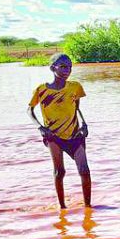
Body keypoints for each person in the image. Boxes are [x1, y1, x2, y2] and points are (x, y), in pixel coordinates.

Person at [28, 53, 90, 210]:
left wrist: (84, 124)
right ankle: (62, 208)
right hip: (53, 136)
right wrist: (40, 127)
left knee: (84, 171)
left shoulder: (75, 87)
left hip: (75, 134)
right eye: (62, 66)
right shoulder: (42, 90)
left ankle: (88, 208)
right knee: (59, 171)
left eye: (69, 67)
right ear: (52, 68)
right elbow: (29, 110)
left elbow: (77, 108)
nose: (67, 70)